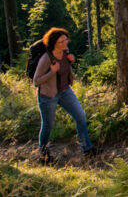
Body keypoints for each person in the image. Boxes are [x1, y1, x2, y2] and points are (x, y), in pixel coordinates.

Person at [32, 27, 97, 162]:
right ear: (54, 43)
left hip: (65, 91)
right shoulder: (46, 58)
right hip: (48, 96)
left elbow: (65, 71)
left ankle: (87, 149)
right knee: (48, 125)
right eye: (61, 42)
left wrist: (70, 62)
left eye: (66, 40)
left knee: (80, 116)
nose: (65, 43)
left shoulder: (65, 53)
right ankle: (44, 155)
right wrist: (52, 72)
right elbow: (36, 81)